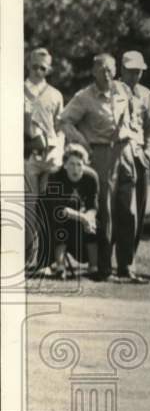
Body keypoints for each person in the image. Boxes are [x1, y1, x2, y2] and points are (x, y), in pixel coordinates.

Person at [61, 53, 142, 281]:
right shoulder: (84, 97)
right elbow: (64, 120)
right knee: (105, 211)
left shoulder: (124, 90)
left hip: (124, 151)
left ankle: (127, 267)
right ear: (93, 72)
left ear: (115, 70)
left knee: (128, 210)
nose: (106, 74)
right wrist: (83, 143)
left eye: (109, 69)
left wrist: (132, 135)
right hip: (101, 152)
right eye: (101, 70)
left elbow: (133, 117)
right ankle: (104, 267)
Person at [23, 47, 65, 271]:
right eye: (35, 66)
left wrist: (57, 150)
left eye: (44, 67)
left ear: (49, 69)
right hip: (27, 156)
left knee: (50, 208)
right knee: (28, 208)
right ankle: (27, 259)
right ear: (28, 64)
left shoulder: (56, 94)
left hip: (50, 158)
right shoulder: (16, 90)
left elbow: (60, 128)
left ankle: (46, 261)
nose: (39, 71)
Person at [120, 50, 150, 253]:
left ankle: (130, 255)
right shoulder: (114, 91)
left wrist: (149, 152)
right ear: (122, 70)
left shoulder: (146, 94)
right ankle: (111, 254)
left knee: (140, 207)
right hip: (120, 153)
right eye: (130, 71)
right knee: (120, 206)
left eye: (138, 72)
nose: (134, 76)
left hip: (140, 154)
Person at [45, 144, 99, 279]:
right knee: (60, 223)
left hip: (80, 219)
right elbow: (59, 210)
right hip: (58, 218)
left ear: (85, 165)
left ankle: (94, 267)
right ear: (64, 165)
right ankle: (60, 267)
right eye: (72, 164)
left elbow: (93, 206)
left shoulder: (91, 177)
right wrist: (83, 217)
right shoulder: (55, 177)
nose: (76, 169)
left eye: (79, 164)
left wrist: (89, 218)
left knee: (94, 223)